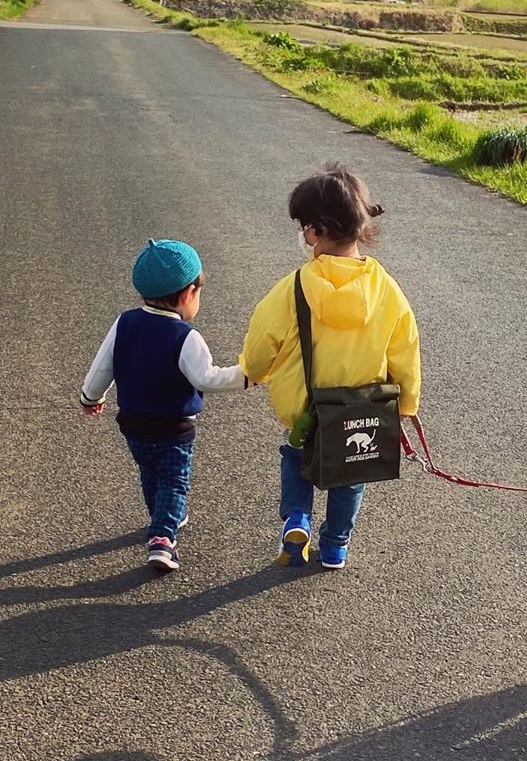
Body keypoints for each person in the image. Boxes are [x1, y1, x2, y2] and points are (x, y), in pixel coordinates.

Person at [241, 164, 421, 570]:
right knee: (350, 476)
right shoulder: (387, 290)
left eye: (305, 226)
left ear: (316, 231)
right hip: (361, 408)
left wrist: (253, 370)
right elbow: (405, 349)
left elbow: (261, 341)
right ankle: (336, 545)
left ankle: (297, 518)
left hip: (307, 405)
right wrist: (406, 403)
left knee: (295, 455)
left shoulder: (294, 287)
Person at [80, 239, 246, 572]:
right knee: (174, 480)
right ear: (188, 293)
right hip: (173, 428)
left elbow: (103, 366)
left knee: (151, 473)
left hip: (133, 423)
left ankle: (166, 515)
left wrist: (91, 396)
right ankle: (162, 538)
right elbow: (207, 378)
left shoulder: (125, 322)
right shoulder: (185, 336)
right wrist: (249, 375)